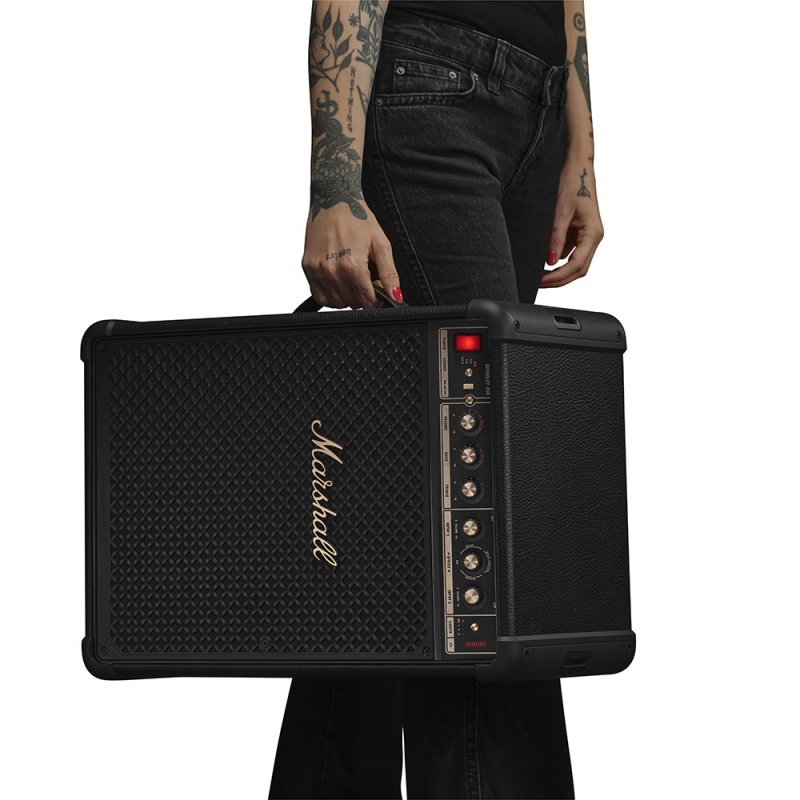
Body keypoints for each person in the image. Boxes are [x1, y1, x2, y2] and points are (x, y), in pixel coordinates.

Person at [270, 2, 602, 797]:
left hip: (534, 106)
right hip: (430, 90)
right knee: (483, 519)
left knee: (398, 502)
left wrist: (579, 149)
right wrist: (335, 185)